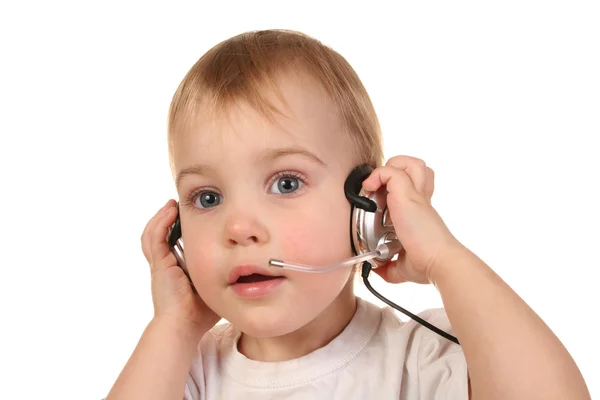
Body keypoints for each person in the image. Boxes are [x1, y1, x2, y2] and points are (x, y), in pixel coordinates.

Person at [104, 29, 590, 399]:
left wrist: (444, 258)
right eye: (207, 198)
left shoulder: (420, 358)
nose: (238, 229)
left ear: (368, 208)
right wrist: (174, 325)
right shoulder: (182, 371)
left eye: (286, 183)